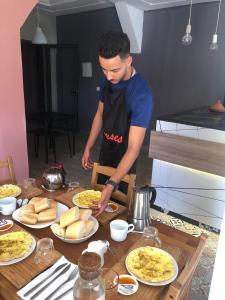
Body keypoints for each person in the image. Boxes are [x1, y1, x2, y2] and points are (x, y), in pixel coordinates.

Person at [82, 30, 153, 216]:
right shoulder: (106, 81)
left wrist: (112, 183)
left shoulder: (141, 95)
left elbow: (134, 149)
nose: (108, 76)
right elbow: (99, 113)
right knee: (99, 207)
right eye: (103, 69)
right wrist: (88, 147)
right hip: (106, 150)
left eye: (114, 70)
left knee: (117, 210)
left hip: (125, 159)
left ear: (129, 60)